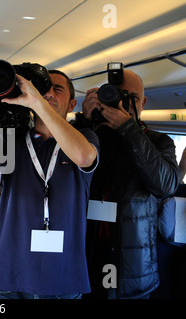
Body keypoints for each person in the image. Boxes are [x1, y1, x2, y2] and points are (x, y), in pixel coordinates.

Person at [0, 70, 99, 299]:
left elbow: (85, 157)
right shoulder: (13, 141)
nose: (47, 93)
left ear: (72, 103)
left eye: (57, 88)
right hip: (11, 276)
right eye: (41, 88)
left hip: (63, 278)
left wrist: (37, 101)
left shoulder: (85, 137)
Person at [73, 69, 180, 299]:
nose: (122, 102)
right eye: (117, 95)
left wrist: (128, 129)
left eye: (129, 96)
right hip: (89, 254)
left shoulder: (159, 141)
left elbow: (166, 185)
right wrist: (84, 122)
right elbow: (65, 174)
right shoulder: (92, 136)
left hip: (133, 264)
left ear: (143, 102)